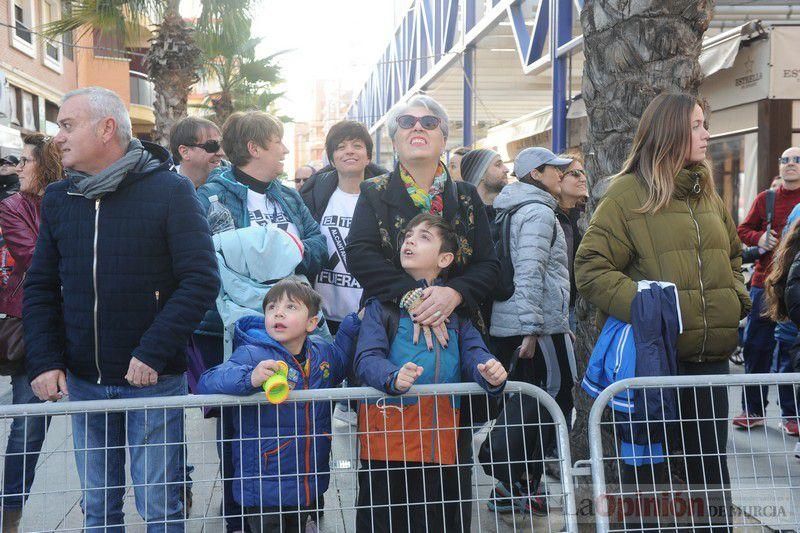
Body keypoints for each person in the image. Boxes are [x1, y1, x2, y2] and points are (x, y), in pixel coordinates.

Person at [23, 87, 219, 531]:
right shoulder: (59, 197)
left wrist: (152, 351)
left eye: (67, 125)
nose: (58, 137)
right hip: (84, 383)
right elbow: (39, 285)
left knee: (160, 509)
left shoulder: (171, 191)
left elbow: (200, 280)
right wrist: (45, 360)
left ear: (106, 127)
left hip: (151, 381)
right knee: (98, 509)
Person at [575, 93, 750, 531]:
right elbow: (590, 268)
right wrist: (646, 308)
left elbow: (732, 254)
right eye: (696, 125)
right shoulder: (626, 193)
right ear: (670, 132)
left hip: (709, 364)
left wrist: (738, 298)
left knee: (709, 476)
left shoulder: (707, 193)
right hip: (655, 367)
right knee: (654, 487)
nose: (707, 133)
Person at [345, 97, 499, 531]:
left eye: (429, 121)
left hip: (454, 339)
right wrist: (413, 296)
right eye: (407, 122)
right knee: (384, 485)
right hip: (389, 336)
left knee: (449, 475)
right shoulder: (375, 192)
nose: (418, 127)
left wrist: (451, 296)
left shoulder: (466, 196)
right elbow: (359, 254)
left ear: (443, 138)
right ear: (394, 138)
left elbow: (489, 264)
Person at [196, 110, 326, 531]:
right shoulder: (208, 196)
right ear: (255, 148)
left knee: (300, 418)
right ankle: (242, 514)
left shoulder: (288, 195)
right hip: (235, 331)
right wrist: (283, 261)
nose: (286, 150)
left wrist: (273, 253)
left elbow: (320, 245)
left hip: (296, 332)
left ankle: (304, 507)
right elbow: (213, 263)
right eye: (278, 142)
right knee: (243, 427)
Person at [353, 214, 507, 533]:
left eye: (424, 237)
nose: (409, 240)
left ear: (445, 258)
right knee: (385, 521)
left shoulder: (458, 315)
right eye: (408, 234)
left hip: (441, 440)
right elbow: (366, 358)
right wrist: (392, 377)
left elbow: (475, 354)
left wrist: (489, 372)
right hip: (387, 439)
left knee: (436, 521)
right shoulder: (381, 308)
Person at [197, 279, 360, 532]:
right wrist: (250, 378)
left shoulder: (320, 353)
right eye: (271, 307)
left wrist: (355, 322)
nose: (278, 312)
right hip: (263, 482)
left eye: (290, 307)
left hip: (306, 479)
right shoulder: (252, 354)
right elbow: (208, 382)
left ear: (312, 323)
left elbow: (340, 361)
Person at [489, 147, 576, 515]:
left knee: (529, 403)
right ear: (535, 174)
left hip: (525, 323)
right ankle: (521, 485)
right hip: (536, 328)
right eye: (554, 169)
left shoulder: (512, 207)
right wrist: (533, 328)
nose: (562, 173)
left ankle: (516, 486)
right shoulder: (538, 212)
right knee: (552, 401)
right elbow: (530, 271)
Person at [0, 134, 63, 531]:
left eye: (26, 161)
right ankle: (11, 516)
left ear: (49, 165)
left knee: (107, 421)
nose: (19, 168)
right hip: (33, 326)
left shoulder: (76, 197)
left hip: (83, 325)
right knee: (28, 428)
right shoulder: (12, 206)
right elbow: (38, 260)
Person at [735, 146, 800, 431]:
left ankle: (792, 415)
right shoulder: (766, 199)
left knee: (790, 352)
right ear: (779, 166)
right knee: (756, 348)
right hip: (764, 283)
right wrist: (760, 238)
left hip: (794, 287)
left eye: (797, 160)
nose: (790, 164)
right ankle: (752, 410)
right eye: (785, 159)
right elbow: (742, 230)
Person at [300, 121, 377, 334]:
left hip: (368, 316)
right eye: (341, 147)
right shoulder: (313, 197)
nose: (349, 151)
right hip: (320, 319)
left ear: (368, 156)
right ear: (332, 159)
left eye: (357, 146)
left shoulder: (383, 199)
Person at [556, 150, 588, 332]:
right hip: (563, 309)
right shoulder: (550, 215)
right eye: (575, 174)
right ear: (558, 178)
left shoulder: (591, 212)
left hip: (586, 306)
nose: (582, 178)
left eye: (584, 173)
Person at [169, 116, 225, 189]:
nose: (221, 153)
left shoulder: (233, 181)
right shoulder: (165, 190)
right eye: (212, 145)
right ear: (184, 152)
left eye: (222, 144)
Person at [459, 147, 509, 224]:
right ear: (479, 174)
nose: (506, 169)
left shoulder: (511, 209)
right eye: (498, 165)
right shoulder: (464, 218)